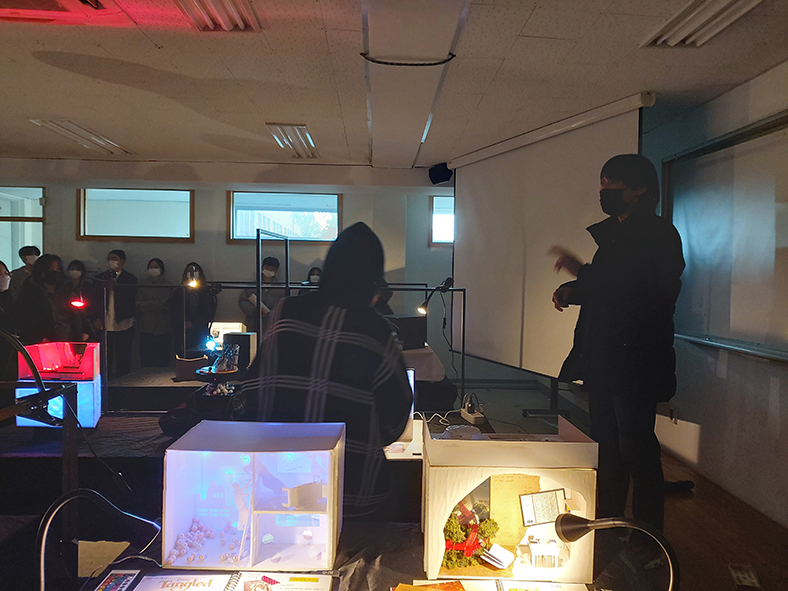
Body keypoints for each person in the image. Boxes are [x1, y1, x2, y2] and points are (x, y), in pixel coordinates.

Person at [240, 222, 413, 519]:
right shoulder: (375, 329)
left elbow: (252, 389)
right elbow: (396, 418)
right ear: (372, 282)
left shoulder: (285, 312)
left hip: (277, 488)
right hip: (354, 492)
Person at [551, 154, 685, 533]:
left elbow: (638, 289)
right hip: (605, 358)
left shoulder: (659, 235)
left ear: (640, 189)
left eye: (612, 184)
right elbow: (609, 288)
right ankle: (608, 529)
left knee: (637, 450)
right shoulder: (616, 235)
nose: (604, 191)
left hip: (636, 362)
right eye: (602, 183)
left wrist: (580, 272)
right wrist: (574, 290)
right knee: (608, 450)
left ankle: (648, 540)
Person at [15, 254, 91, 345]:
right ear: (41, 271)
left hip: (70, 345)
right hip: (43, 345)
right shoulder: (29, 295)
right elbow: (24, 322)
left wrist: (85, 333)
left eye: (58, 269)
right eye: (50, 269)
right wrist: (38, 338)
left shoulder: (67, 293)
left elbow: (81, 315)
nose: (55, 272)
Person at [96, 249, 137, 378]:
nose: (111, 261)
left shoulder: (130, 279)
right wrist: (96, 318)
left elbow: (131, 299)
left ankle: (123, 380)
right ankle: (105, 380)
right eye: (109, 259)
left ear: (122, 261)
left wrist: (116, 286)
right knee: (105, 355)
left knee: (123, 354)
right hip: (105, 321)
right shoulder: (100, 278)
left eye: (114, 259)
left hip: (124, 321)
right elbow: (94, 300)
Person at [171, 262, 218, 355]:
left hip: (200, 330)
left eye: (195, 271)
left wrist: (194, 323)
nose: (192, 273)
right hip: (182, 331)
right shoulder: (179, 291)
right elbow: (174, 310)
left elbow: (208, 310)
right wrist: (182, 322)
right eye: (189, 271)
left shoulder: (206, 291)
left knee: (200, 355)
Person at [137, 258, 173, 367]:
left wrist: (146, 304)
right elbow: (138, 303)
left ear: (161, 269)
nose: (153, 269)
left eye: (156, 267)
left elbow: (162, 303)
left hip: (163, 325)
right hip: (145, 325)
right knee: (145, 355)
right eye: (151, 267)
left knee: (162, 355)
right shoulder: (142, 284)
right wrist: (153, 303)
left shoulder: (167, 285)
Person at [238, 256, 284, 333]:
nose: (269, 270)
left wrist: (275, 312)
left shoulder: (281, 289)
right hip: (253, 323)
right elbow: (243, 301)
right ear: (262, 268)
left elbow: (285, 305)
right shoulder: (252, 286)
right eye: (267, 268)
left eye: (272, 269)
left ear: (276, 271)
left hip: (274, 325)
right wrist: (253, 310)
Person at [65, 259, 101, 334]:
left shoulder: (88, 287)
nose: (74, 271)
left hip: (87, 319)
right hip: (68, 320)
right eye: (72, 269)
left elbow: (94, 304)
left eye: (77, 269)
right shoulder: (65, 287)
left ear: (82, 272)